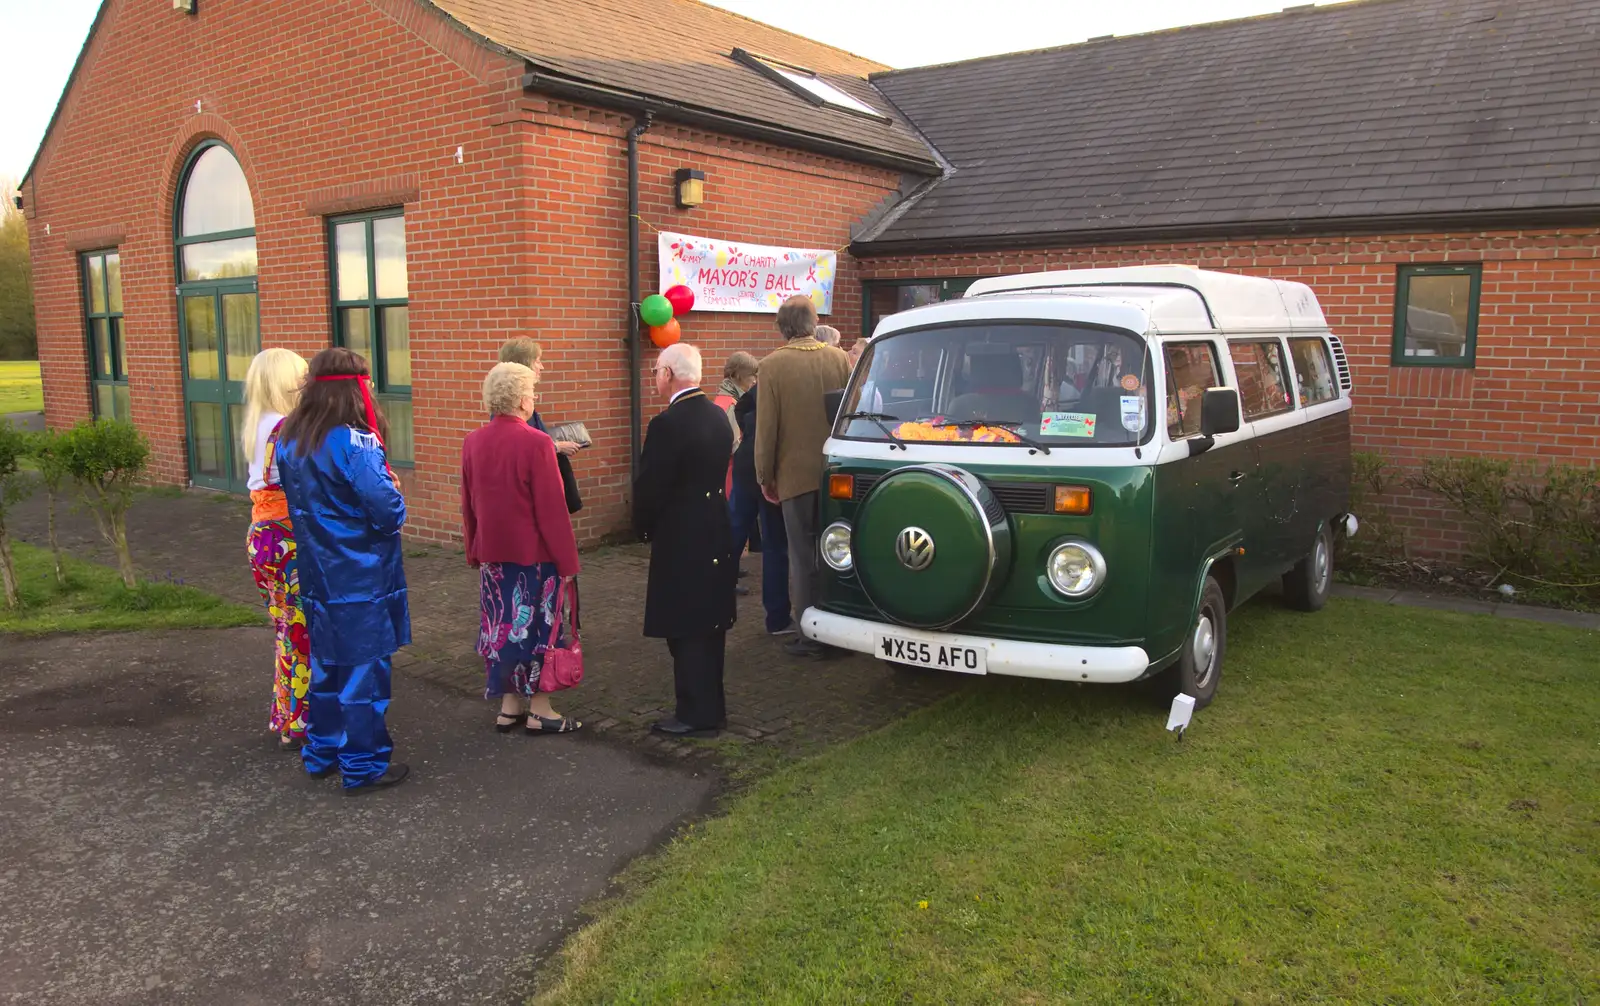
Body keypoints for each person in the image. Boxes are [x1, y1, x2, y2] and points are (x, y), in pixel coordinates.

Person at [276, 347, 410, 793]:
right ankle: (363, 764)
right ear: (356, 388)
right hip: (361, 574)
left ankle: (323, 751)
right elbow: (387, 511)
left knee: (326, 666)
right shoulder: (356, 442)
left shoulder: (292, 438)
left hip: (318, 571)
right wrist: (395, 492)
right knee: (364, 672)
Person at [462, 363, 583, 735]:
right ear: (520, 399)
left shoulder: (473, 441)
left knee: (500, 627)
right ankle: (541, 709)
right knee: (539, 628)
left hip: (493, 556)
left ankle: (509, 705)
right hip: (535, 558)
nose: (534, 398)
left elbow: (468, 502)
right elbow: (551, 509)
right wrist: (568, 561)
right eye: (531, 392)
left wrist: (473, 549)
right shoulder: (537, 442)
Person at [634, 343, 737, 737]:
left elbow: (650, 487)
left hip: (682, 532)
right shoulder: (716, 415)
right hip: (714, 524)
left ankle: (695, 712)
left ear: (668, 374)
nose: (655, 377)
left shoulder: (667, 424)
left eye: (657, 370)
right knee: (710, 619)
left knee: (686, 622)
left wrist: (643, 528)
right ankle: (712, 707)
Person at [753, 296, 851, 658]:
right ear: (813, 321)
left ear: (783, 326)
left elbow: (767, 429)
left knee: (801, 555)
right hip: (835, 473)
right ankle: (841, 627)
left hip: (793, 475)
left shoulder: (772, 365)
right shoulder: (839, 358)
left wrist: (764, 475)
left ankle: (810, 634)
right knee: (836, 550)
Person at [241, 347, 311, 750]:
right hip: (286, 538)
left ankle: (287, 716)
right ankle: (301, 722)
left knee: (287, 630)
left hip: (262, 536)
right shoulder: (286, 428)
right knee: (300, 631)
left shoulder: (258, 424)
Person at [733, 378, 793, 635]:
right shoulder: (788, 385)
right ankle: (777, 618)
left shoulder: (762, 384)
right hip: (768, 470)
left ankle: (708, 601)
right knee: (776, 546)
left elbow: (740, 407)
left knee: (732, 535)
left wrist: (748, 433)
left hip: (745, 463)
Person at [498, 337, 584, 514]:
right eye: (537, 361)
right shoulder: (510, 404)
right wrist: (557, 446)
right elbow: (518, 446)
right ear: (524, 365)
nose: (542, 366)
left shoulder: (523, 398)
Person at [713, 351, 760, 588]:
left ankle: (729, 571)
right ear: (741, 376)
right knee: (733, 525)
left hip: (725, 471)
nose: (754, 381)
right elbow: (735, 442)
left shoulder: (720, 400)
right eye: (752, 376)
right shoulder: (733, 404)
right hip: (732, 472)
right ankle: (727, 577)